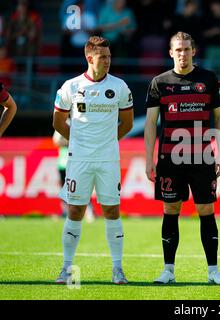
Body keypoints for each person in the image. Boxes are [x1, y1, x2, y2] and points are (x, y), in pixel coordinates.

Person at [144, 32, 220, 285]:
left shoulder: (209, 79)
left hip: (202, 156)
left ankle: (213, 271)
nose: (183, 54)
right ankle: (168, 271)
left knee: (206, 210)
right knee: (170, 210)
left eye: (187, 49)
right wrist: (149, 159)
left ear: (194, 51)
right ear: (171, 52)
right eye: (178, 50)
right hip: (170, 158)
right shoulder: (159, 82)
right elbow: (150, 123)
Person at [52, 36, 134, 285]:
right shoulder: (70, 86)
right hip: (79, 160)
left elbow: (128, 123)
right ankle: (66, 268)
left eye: (109, 57)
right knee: (75, 210)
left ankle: (117, 269)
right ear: (90, 58)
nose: (108, 61)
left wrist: (108, 142)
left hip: (108, 158)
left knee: (111, 210)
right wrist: (78, 141)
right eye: (103, 57)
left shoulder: (120, 86)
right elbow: (57, 122)